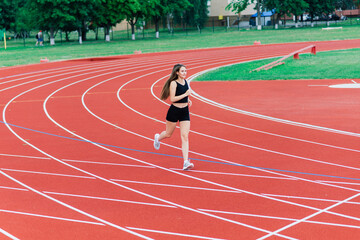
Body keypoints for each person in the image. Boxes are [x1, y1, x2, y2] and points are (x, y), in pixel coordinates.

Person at [154, 64, 194, 170]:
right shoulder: (173, 83)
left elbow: (185, 94)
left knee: (185, 136)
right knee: (168, 134)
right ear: (177, 72)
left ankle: (185, 162)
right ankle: (158, 138)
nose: (185, 73)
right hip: (174, 111)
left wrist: (188, 99)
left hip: (185, 111)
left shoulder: (185, 81)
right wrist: (186, 95)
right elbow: (173, 98)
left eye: (185, 71)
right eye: (182, 71)